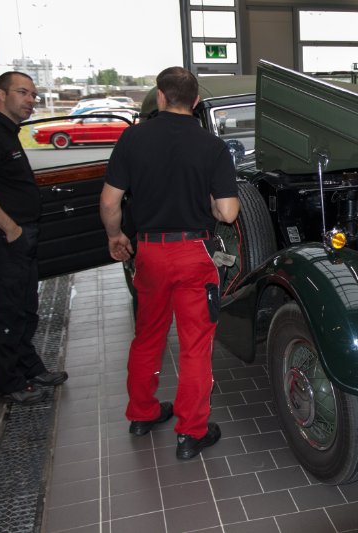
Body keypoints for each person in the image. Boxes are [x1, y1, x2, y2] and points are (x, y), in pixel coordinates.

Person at [100, 67, 240, 459]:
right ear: (196, 101)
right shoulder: (212, 146)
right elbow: (228, 212)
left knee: (148, 335)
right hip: (193, 253)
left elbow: (110, 201)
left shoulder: (132, 138)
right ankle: (191, 432)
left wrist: (115, 236)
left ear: (160, 96)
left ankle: (141, 414)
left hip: (150, 253)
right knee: (195, 344)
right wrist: (208, 200)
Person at [0, 71, 69, 405]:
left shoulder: (8, 131)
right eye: (23, 92)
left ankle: (28, 368)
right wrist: (11, 229)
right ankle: (9, 384)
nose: (31, 101)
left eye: (33, 95)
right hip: (4, 238)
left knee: (25, 307)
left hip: (19, 236)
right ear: (1, 94)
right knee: (9, 311)